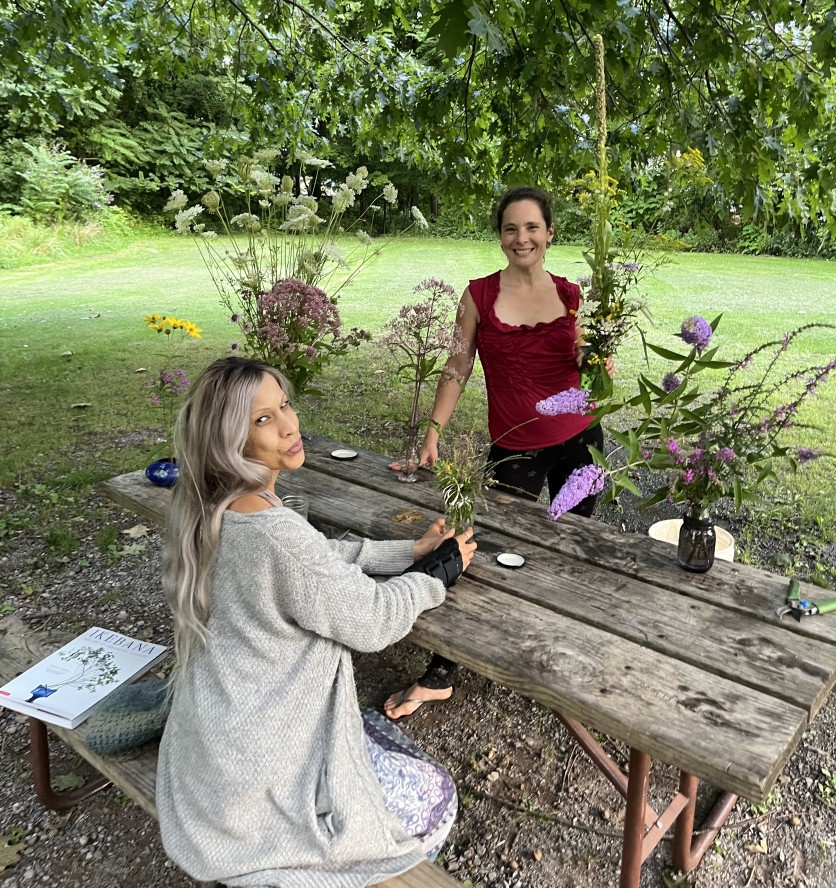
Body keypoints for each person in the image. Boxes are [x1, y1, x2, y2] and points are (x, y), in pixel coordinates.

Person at [156, 355, 476, 887]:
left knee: (370, 734)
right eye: (261, 419)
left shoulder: (205, 506)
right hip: (257, 778)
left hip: (210, 751)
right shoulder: (276, 537)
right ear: (227, 441)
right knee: (434, 796)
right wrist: (435, 575)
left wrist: (406, 551)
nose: (289, 425)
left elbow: (313, 564)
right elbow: (374, 621)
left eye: (283, 405)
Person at [384, 185, 609, 722]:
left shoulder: (574, 295)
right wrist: (434, 429)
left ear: (550, 233)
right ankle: (443, 671)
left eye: (532, 227)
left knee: (571, 549)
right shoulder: (479, 296)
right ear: (500, 236)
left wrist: (594, 357)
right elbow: (458, 366)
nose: (522, 237)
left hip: (583, 444)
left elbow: (597, 374)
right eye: (511, 228)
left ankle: (555, 652)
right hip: (515, 449)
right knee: (474, 551)